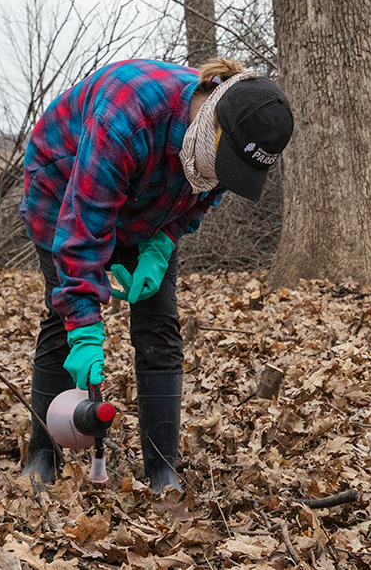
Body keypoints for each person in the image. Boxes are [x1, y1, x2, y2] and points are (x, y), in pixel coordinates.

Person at [18, 57, 294, 492]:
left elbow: (201, 199)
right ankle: (41, 455)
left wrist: (160, 243)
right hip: (64, 189)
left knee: (160, 325)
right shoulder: (128, 116)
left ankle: (163, 468)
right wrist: (85, 328)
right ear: (210, 120)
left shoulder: (220, 147)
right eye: (224, 164)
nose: (222, 178)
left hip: (145, 206)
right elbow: (82, 228)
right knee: (63, 321)